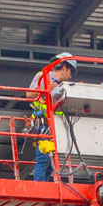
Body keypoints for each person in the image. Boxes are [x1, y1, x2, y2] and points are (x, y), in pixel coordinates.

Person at [28, 52, 77, 181]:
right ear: (65, 67)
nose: (70, 76)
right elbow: (29, 95)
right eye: (70, 71)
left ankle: (44, 185)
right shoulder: (43, 76)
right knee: (44, 160)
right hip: (44, 127)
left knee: (51, 164)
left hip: (56, 128)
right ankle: (39, 188)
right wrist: (46, 91)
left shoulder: (62, 86)